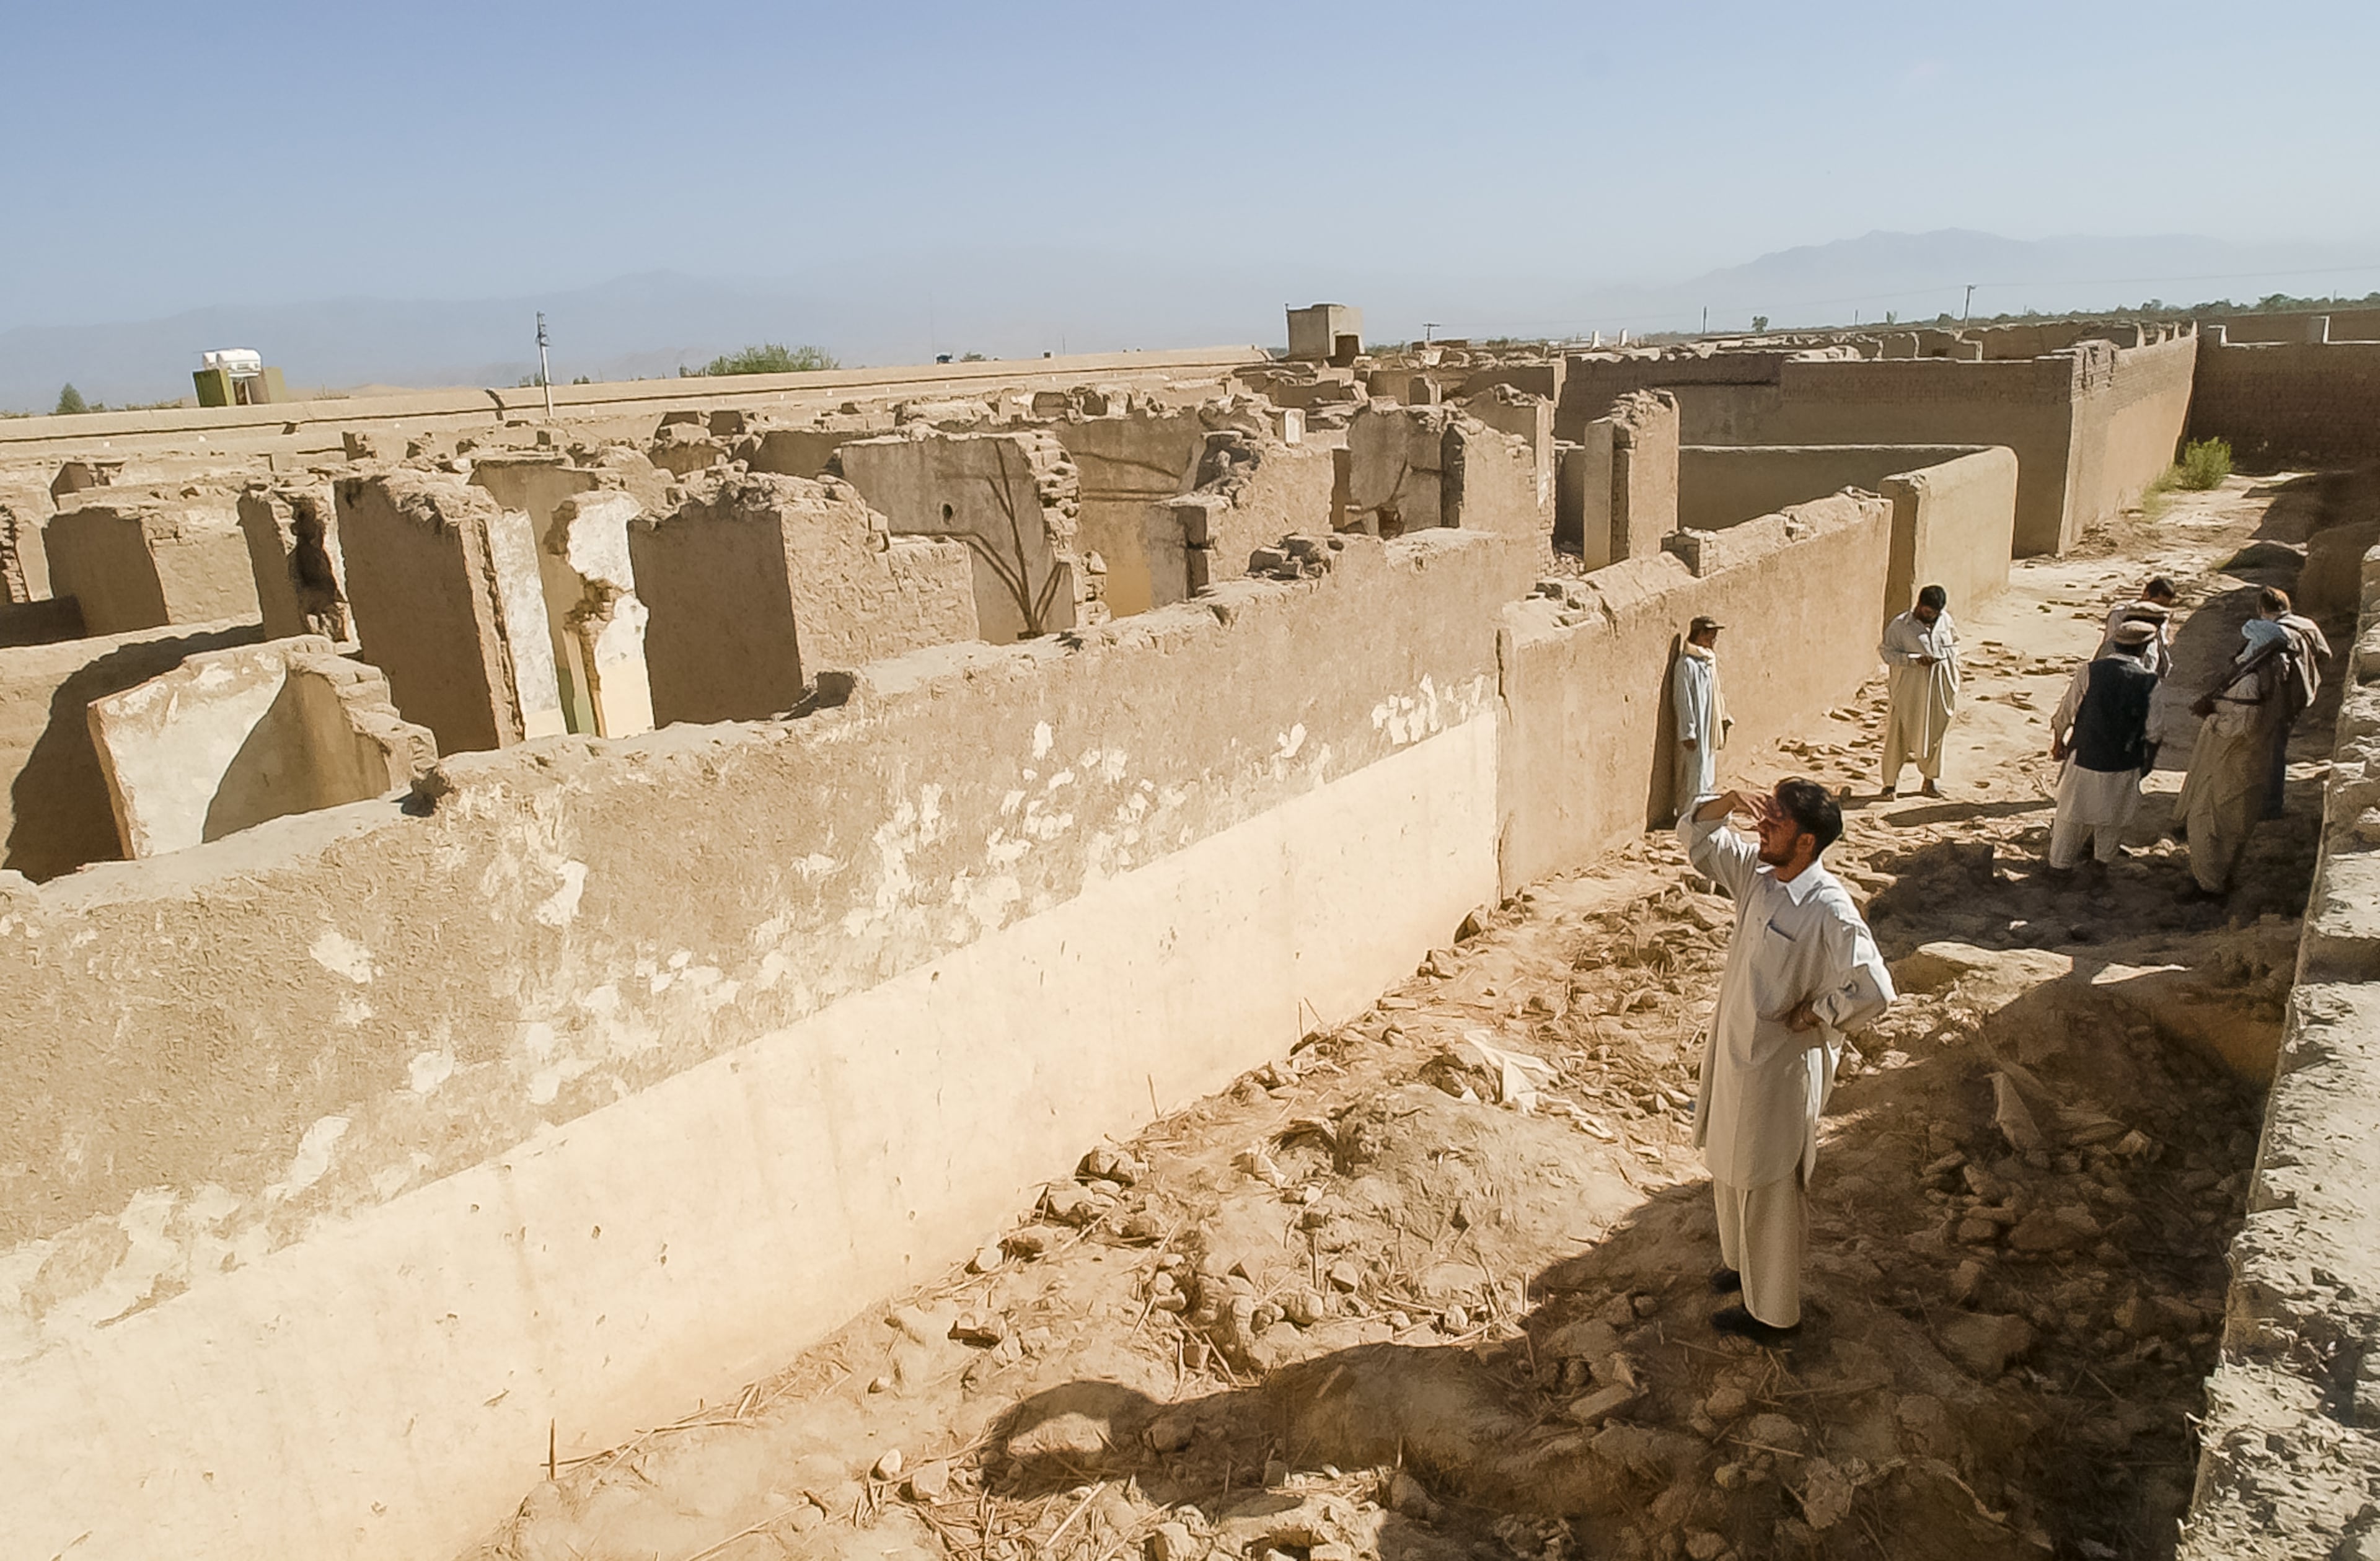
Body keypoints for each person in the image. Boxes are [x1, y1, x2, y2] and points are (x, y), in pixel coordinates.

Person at [1679, 778, 1894, 1346]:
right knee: (1728, 1166)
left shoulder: (1830, 910)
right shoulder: (1758, 875)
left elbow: (1875, 988)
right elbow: (1698, 841)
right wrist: (1726, 801)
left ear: (1806, 842)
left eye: (1775, 822)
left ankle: (1773, 1313)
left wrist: (1819, 1012)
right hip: (1734, 1056)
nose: (1760, 827)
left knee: (1768, 1184)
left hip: (1778, 1072)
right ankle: (1740, 1266)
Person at [2175, 619, 2292, 900]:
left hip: (2229, 759)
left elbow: (2242, 725)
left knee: (2206, 821)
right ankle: (2220, 877)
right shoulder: (2271, 673)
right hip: (2248, 759)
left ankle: (2209, 885)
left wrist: (2212, 715)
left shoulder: (2251, 681)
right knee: (2233, 822)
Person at [2044, 621, 2161, 876]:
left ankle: (2059, 867)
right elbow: (2155, 732)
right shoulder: (2150, 682)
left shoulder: (2089, 671)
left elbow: (2065, 713)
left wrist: (2058, 744)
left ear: (2114, 643)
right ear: (2144, 649)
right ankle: (2100, 866)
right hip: (2124, 759)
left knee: (2070, 815)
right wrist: (2146, 765)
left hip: (2085, 754)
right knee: (2114, 816)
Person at [1880, 585, 1960, 799]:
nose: (1932, 617)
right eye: (1928, 612)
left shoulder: (1945, 621)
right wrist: (1914, 661)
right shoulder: (1900, 626)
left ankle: (1929, 782)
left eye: (1936, 613)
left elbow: (1955, 644)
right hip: (1908, 691)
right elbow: (1887, 654)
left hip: (1937, 690)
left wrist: (1946, 662)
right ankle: (1889, 785)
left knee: (1935, 734)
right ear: (1919, 605)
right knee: (1898, 735)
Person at [2257, 586, 2330, 819]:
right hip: (2303, 694)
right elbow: (2325, 655)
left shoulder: (2269, 631)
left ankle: (2270, 805)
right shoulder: (2308, 625)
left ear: (2262, 609)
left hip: (2276, 697)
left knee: (2271, 749)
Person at [1672, 615, 1732, 820]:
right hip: (1695, 729)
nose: (1714, 638)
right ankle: (1688, 817)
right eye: (1710, 633)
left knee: (1706, 771)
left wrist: (1722, 717)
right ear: (1700, 633)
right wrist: (1688, 731)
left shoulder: (1708, 661)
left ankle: (1702, 814)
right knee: (1693, 773)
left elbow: (1715, 694)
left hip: (1708, 727)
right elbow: (1683, 699)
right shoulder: (1686, 664)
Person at [2100, 576, 2179, 676]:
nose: (2159, 608)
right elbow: (2110, 646)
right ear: (2146, 595)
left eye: (2165, 606)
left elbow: (2161, 645)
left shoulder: (2161, 615)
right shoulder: (2120, 615)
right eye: (2158, 603)